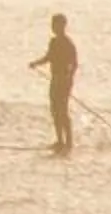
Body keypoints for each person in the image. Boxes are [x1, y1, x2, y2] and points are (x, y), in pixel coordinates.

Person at [28, 13, 80, 155]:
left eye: (56, 25)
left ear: (63, 26)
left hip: (64, 82)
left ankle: (69, 142)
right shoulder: (54, 42)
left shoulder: (68, 44)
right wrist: (35, 64)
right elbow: (48, 57)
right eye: (53, 25)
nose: (54, 27)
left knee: (62, 111)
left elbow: (74, 64)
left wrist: (68, 78)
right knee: (54, 110)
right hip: (55, 80)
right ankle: (60, 140)